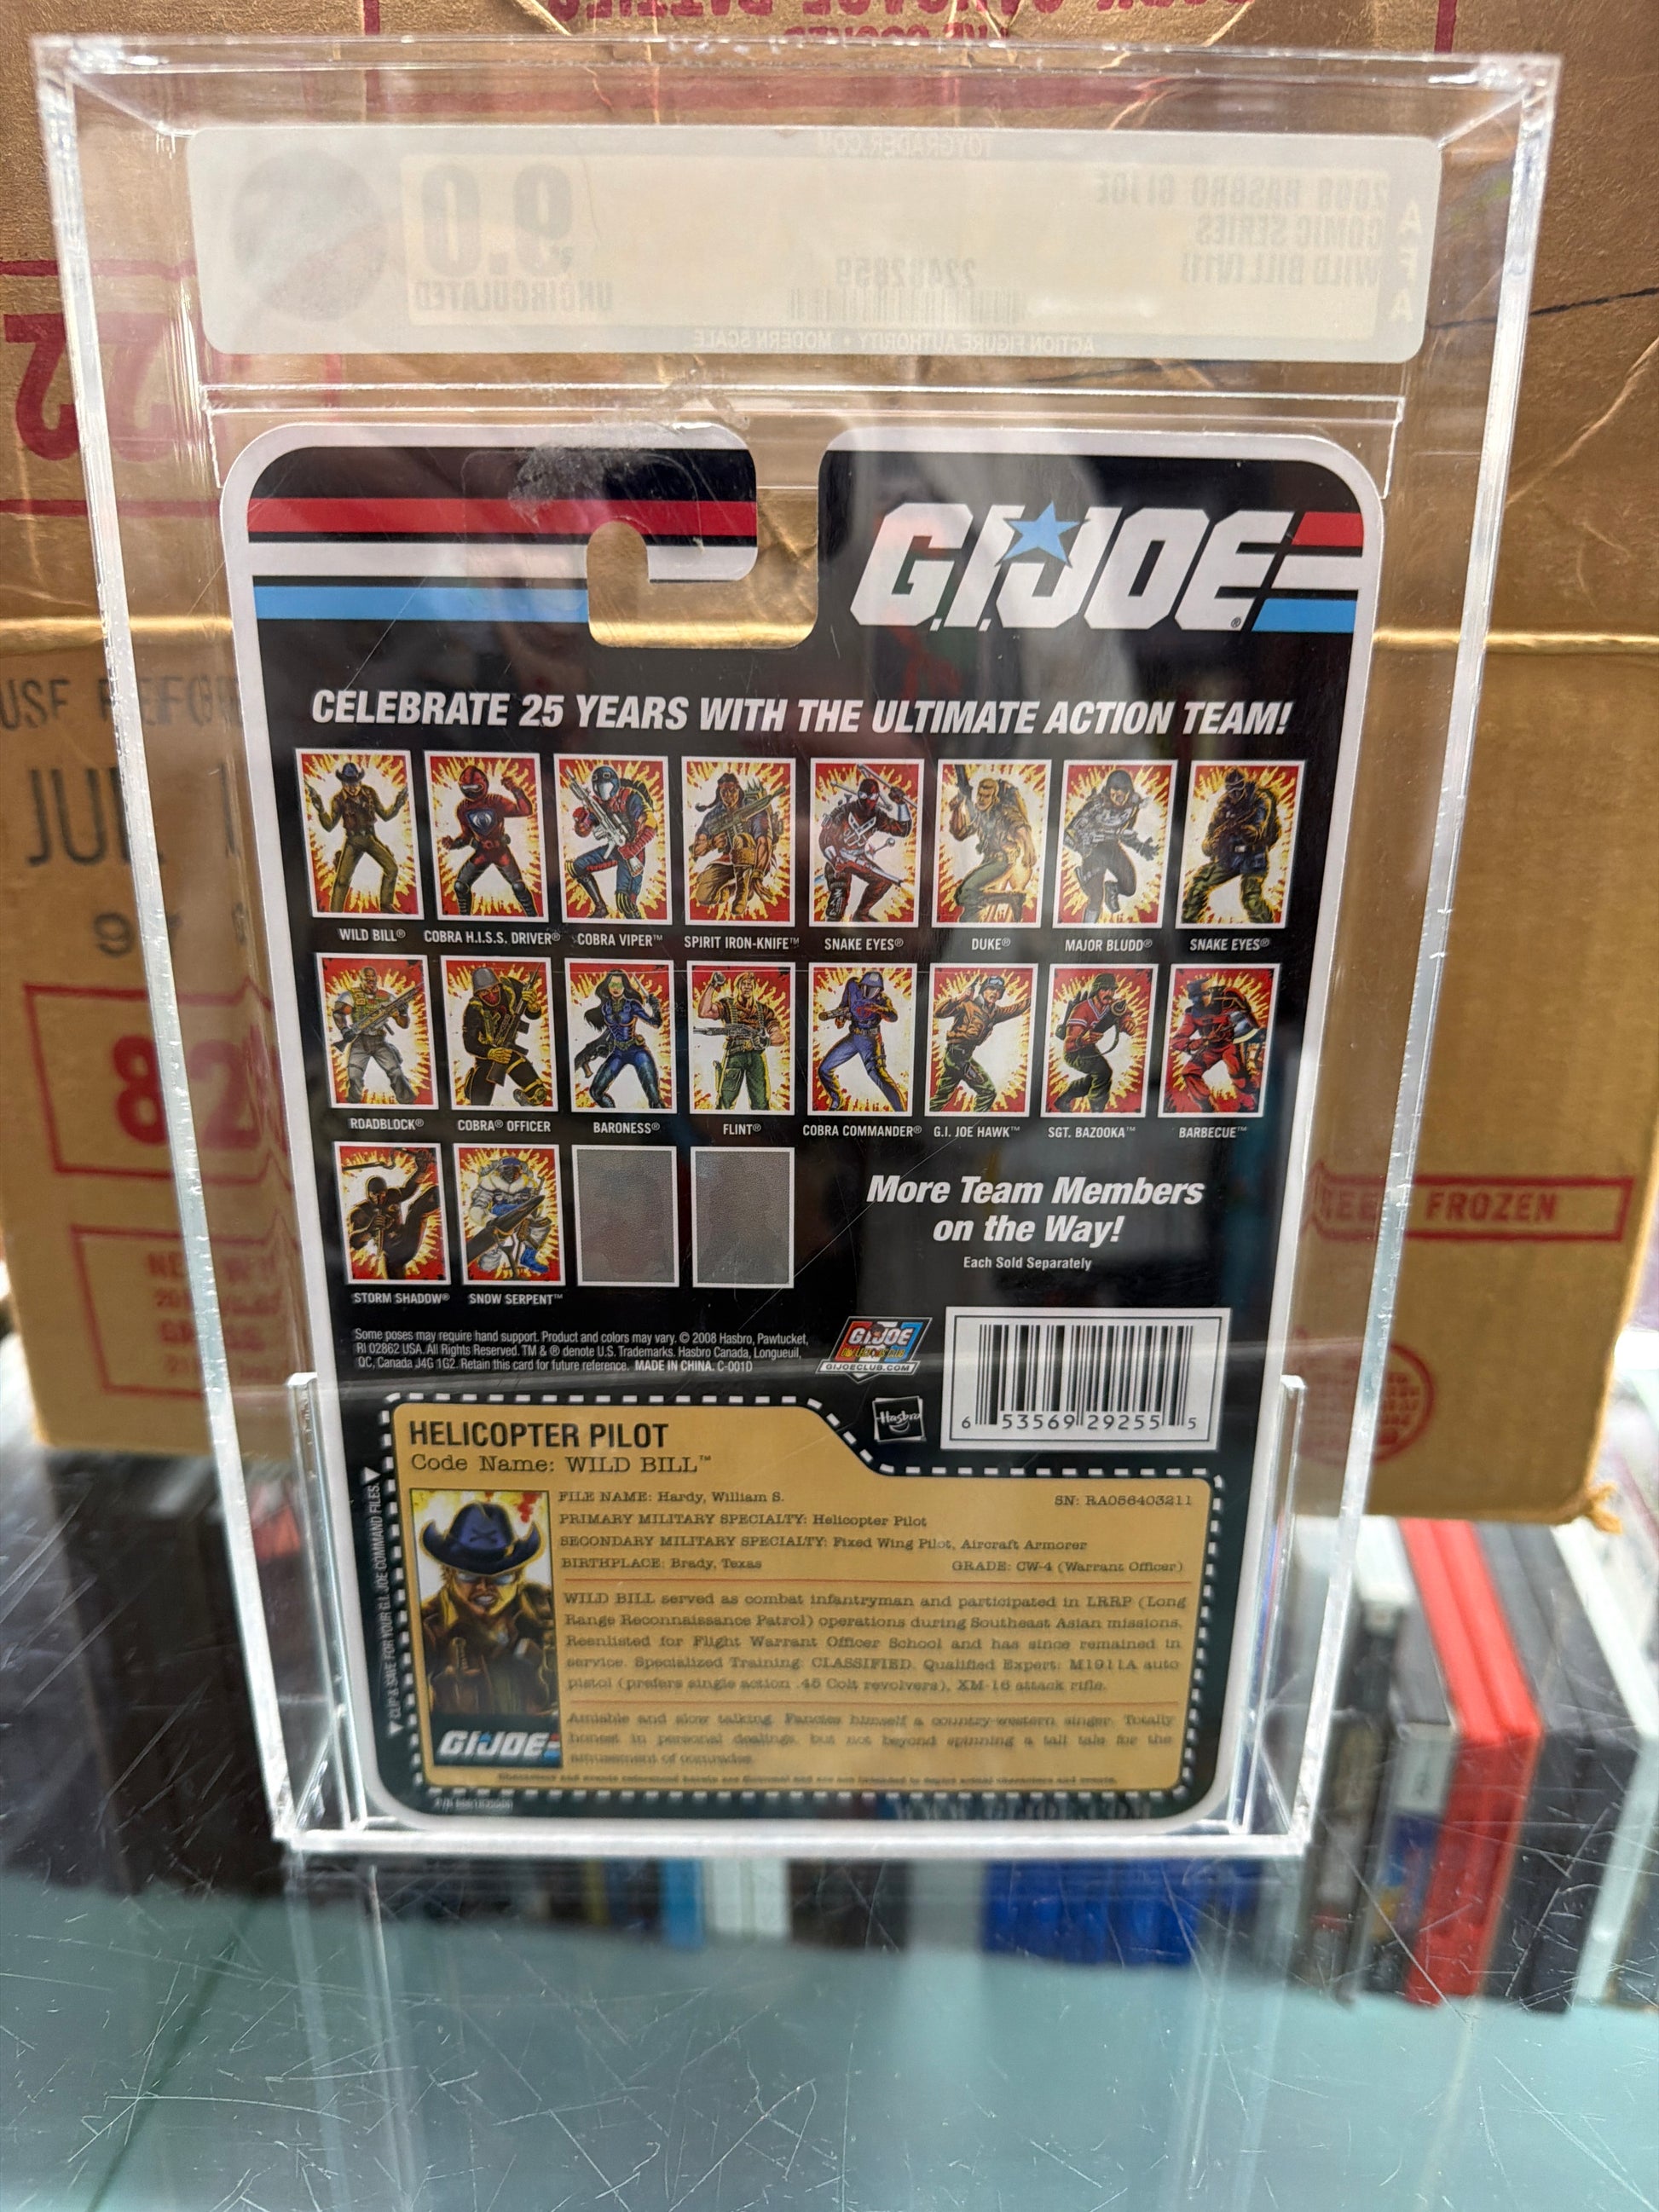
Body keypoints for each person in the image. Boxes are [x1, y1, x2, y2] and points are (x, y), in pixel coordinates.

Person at [419, 1501, 557, 1718]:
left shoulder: (545, 1608)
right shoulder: (425, 1626)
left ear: (518, 1577)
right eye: (468, 1576)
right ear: (449, 1575)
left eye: (502, 1577)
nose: (483, 1588)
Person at [1182, 767, 1281, 925]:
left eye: (1239, 788)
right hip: (1230, 858)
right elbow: (1209, 838)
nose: (1235, 793)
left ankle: (1268, 932)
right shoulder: (1223, 806)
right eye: (1231, 789)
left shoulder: (1259, 800)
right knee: (1199, 886)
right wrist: (1212, 845)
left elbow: (1259, 828)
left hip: (1253, 857)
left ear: (1244, 785)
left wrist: (1248, 831)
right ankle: (1187, 927)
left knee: (1251, 899)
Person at [306, 759, 408, 912]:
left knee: (392, 869)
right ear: (343, 784)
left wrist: (398, 805)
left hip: (370, 838)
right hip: (353, 842)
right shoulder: (338, 800)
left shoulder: (370, 793)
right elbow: (329, 826)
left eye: (355, 784)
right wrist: (320, 809)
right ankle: (335, 914)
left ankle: (386, 905)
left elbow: (385, 815)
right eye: (348, 784)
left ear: (360, 781)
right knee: (342, 881)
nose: (352, 788)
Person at [442, 762, 539, 915]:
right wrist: (453, 844)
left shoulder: (495, 801)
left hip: (500, 851)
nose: (471, 792)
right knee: (460, 886)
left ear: (484, 784)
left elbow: (525, 810)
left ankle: (534, 918)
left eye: (475, 787)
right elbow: (466, 836)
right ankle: (464, 921)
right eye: (467, 788)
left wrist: (516, 790)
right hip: (482, 852)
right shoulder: (463, 809)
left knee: (518, 887)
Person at [1063, 768, 1159, 921]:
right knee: (1096, 898)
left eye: (1123, 791)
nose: (1119, 796)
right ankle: (1086, 930)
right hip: (1093, 851)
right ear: (1108, 791)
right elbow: (1067, 834)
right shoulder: (1096, 805)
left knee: (1129, 887)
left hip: (1112, 849)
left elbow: (1123, 833)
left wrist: (1141, 847)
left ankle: (1111, 889)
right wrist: (1081, 847)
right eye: (1115, 790)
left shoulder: (1132, 807)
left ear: (1129, 791)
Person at [944, 767, 1037, 922]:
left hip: (1002, 861)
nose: (981, 799)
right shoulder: (980, 814)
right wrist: (957, 808)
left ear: (994, 798)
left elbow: (1020, 826)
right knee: (967, 912)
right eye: (980, 795)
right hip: (989, 862)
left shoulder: (1003, 811)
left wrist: (1029, 848)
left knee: (965, 892)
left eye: (986, 796)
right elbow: (960, 833)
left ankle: (1011, 898)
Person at [818, 770, 912, 921]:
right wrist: (835, 859)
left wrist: (901, 804)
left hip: (859, 858)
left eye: (873, 798)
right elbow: (825, 838)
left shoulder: (878, 816)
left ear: (877, 798)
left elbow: (903, 830)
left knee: (882, 882)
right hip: (839, 858)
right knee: (839, 899)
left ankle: (861, 915)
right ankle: (832, 923)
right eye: (864, 796)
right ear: (858, 795)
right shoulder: (843, 812)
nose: (868, 801)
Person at [565, 762, 655, 920]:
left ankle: (638, 926)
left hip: (633, 850)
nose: (603, 791)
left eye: (606, 786)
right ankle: (601, 908)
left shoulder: (630, 797)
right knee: (576, 867)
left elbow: (651, 825)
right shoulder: (596, 803)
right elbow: (585, 830)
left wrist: (633, 849)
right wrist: (580, 823)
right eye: (599, 787)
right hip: (615, 849)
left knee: (624, 901)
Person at [929, 972, 1028, 1113]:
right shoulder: (967, 1004)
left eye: (998, 991)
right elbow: (938, 1013)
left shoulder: (994, 1012)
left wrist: (1034, 999)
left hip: (963, 1057)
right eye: (991, 988)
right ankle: (975, 1122)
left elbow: (1015, 1009)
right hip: (957, 1057)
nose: (994, 993)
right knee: (988, 1092)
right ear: (983, 990)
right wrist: (959, 998)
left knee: (940, 1098)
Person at [1166, 975, 1266, 1113]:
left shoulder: (1229, 998)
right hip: (1210, 1048)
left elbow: (1247, 1013)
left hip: (1230, 1045)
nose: (1199, 1000)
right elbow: (1177, 1040)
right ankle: (1209, 1111)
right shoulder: (1192, 1014)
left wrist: (1258, 1030)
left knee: (1242, 1082)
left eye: (1203, 995)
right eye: (1194, 997)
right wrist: (1198, 1042)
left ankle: (1260, 1100)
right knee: (1189, 1072)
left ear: (1211, 992)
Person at [690, 769, 781, 920]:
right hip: (730, 860)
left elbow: (764, 842)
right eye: (724, 792)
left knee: (741, 838)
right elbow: (695, 849)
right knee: (703, 895)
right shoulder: (714, 815)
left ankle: (742, 894)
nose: (728, 796)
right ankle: (732, 890)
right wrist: (711, 844)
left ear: (738, 789)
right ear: (719, 793)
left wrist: (758, 875)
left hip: (757, 858)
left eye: (732, 791)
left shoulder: (754, 808)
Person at [458, 965, 550, 1106]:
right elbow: (470, 1044)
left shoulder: (511, 988)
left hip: (509, 1051)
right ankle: (471, 1086)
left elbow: (533, 1015)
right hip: (487, 1058)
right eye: (485, 992)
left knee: (539, 1095)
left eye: (495, 988)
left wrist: (533, 1005)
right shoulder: (474, 1010)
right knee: (479, 1104)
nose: (492, 995)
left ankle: (524, 1102)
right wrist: (491, 1053)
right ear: (478, 994)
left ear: (499, 985)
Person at [573, 967, 666, 1109]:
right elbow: (611, 1033)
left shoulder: (632, 1005)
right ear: (607, 986)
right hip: (618, 1053)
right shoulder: (605, 1008)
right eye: (613, 984)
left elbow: (656, 1023)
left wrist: (656, 1008)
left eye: (619, 984)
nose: (616, 988)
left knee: (655, 1100)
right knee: (595, 1093)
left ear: (624, 987)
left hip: (637, 1052)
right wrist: (603, 1049)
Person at [696, 968, 784, 1112]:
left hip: (757, 1056)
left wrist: (766, 1041)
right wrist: (713, 985)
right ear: (738, 986)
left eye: (750, 984)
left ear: (754, 987)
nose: (747, 987)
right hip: (735, 1055)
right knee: (724, 1102)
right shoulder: (727, 1005)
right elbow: (704, 1012)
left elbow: (780, 1036)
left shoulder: (763, 1010)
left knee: (761, 1103)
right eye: (744, 984)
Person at [817, 970, 905, 1112]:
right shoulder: (852, 985)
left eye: (873, 989)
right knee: (824, 1069)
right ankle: (837, 1101)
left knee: (878, 1076)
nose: (868, 992)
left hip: (870, 1041)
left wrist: (879, 1009)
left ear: (879, 990)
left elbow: (893, 1016)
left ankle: (901, 1112)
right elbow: (843, 1005)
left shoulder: (883, 1000)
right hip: (853, 1036)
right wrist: (841, 1018)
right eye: (866, 987)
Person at [332, 966, 418, 1104]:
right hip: (360, 1041)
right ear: (361, 979)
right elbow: (338, 1013)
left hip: (379, 1042)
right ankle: (353, 1104)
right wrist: (345, 1030)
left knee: (396, 1072)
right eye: (367, 980)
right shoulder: (352, 995)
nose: (370, 983)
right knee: (354, 1075)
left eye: (373, 980)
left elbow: (403, 1024)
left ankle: (407, 1102)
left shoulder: (387, 997)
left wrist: (403, 1012)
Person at [1053, 973, 1136, 1112]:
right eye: (1105, 989)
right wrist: (1081, 1040)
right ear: (1097, 990)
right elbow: (1069, 1044)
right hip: (1074, 1053)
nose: (1109, 993)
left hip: (1089, 1049)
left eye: (1112, 990)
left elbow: (1123, 1011)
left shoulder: (1111, 1005)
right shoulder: (1082, 1010)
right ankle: (1097, 1110)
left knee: (1100, 1076)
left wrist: (1128, 1022)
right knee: (1103, 1073)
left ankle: (1064, 1099)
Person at [346, 1162, 440, 1279]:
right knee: (395, 1279)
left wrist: (421, 1170)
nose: (379, 1198)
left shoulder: (392, 1195)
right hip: (392, 1253)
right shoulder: (360, 1212)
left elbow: (408, 1190)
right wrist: (370, 1229)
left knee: (419, 1207)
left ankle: (448, 1196)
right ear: (368, 1194)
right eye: (374, 1195)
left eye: (382, 1194)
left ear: (385, 1192)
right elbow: (355, 1242)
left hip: (407, 1238)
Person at [464, 1155, 553, 1278]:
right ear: (500, 1170)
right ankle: (490, 1260)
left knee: (542, 1225)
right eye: (506, 1169)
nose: (511, 1172)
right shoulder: (489, 1184)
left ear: (520, 1170)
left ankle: (528, 1257)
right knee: (487, 1266)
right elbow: (477, 1207)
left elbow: (535, 1206)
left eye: (515, 1169)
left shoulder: (529, 1185)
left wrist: (530, 1218)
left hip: (524, 1218)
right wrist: (488, 1220)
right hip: (500, 1220)